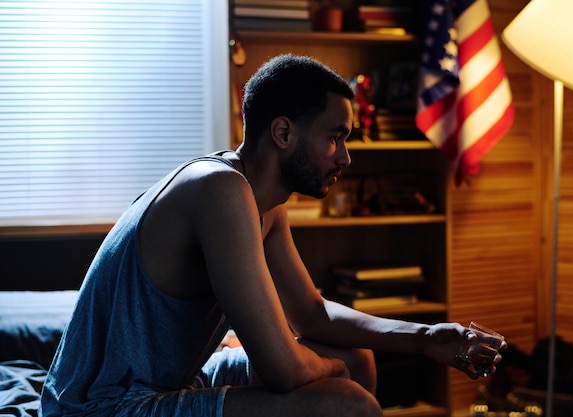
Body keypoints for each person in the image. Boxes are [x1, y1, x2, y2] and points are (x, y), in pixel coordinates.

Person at [40, 54, 506, 417]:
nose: (345, 158)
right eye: (335, 137)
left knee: (358, 360)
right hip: (104, 405)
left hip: (170, 382)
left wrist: (427, 336)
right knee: (350, 403)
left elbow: (312, 312)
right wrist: (331, 372)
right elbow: (284, 370)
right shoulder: (219, 190)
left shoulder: (263, 206)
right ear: (283, 132)